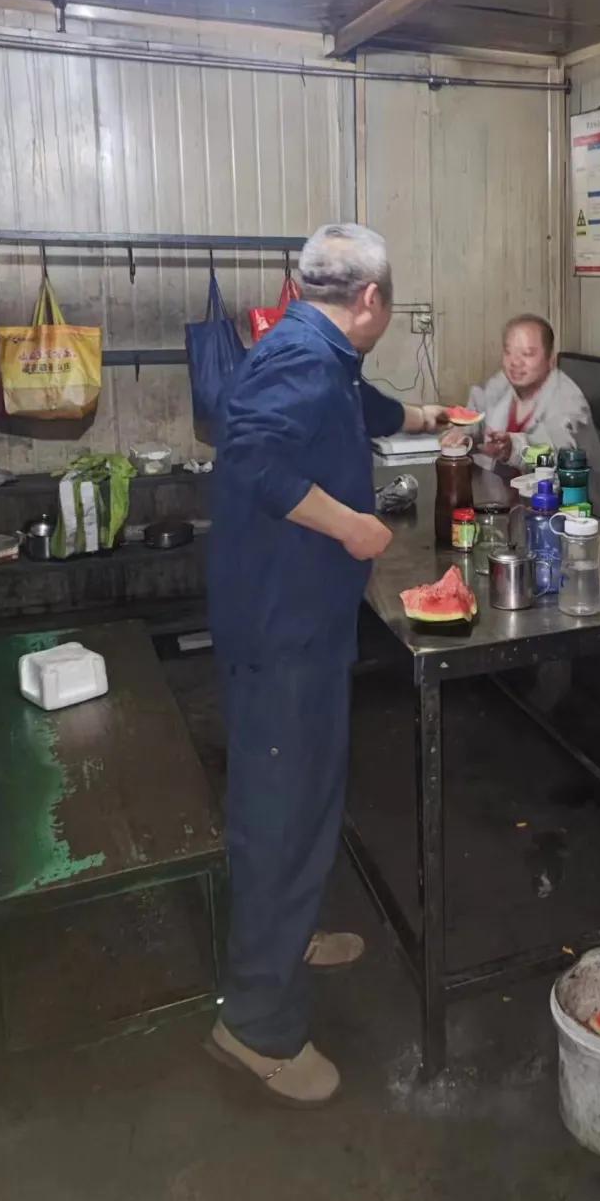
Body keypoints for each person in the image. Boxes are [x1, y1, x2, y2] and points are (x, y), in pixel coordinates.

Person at [205, 223, 445, 1106]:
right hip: (282, 636)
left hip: (299, 624)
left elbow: (355, 405)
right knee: (278, 812)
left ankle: (288, 932)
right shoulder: (303, 359)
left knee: (305, 802)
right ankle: (255, 1026)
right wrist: (353, 527)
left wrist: (425, 418)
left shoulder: (316, 347)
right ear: (371, 299)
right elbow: (253, 458)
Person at [454, 314, 600, 515]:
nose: (515, 362)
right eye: (508, 352)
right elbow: (477, 412)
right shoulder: (502, 383)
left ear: (551, 360)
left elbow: (557, 449)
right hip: (513, 505)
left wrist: (512, 448)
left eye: (527, 354)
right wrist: (463, 432)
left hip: (576, 515)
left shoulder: (569, 401)